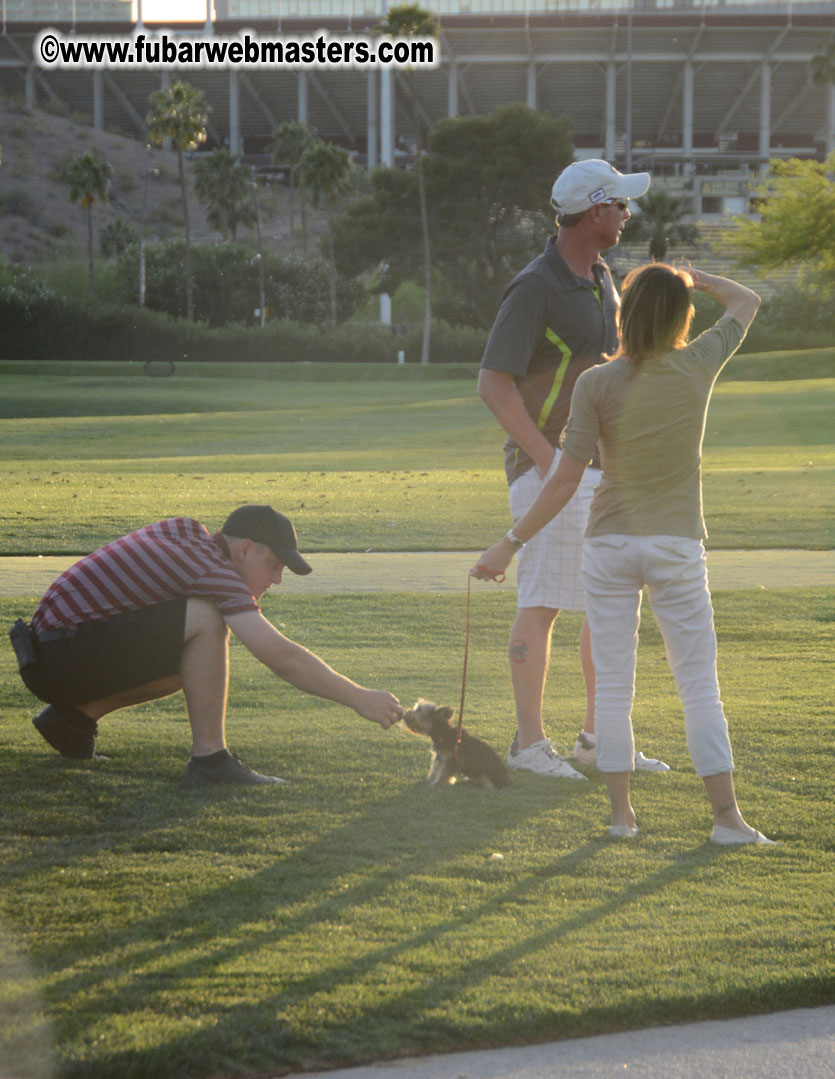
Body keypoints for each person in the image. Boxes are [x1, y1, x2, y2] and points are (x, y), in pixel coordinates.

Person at [472, 264, 775, 846]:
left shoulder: (594, 382)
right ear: (682, 318)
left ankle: (621, 820)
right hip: (675, 543)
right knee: (699, 686)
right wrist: (696, 279)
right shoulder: (698, 362)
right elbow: (747, 299)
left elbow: (562, 480)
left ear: (622, 315)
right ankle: (726, 821)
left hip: (608, 543)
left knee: (612, 684)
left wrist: (508, 544)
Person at [478, 157, 669, 781]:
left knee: (605, 603)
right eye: (619, 205)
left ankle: (597, 739)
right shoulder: (536, 286)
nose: (627, 214)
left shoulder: (601, 275)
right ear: (594, 211)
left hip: (597, 470)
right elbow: (492, 383)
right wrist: (547, 457)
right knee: (543, 602)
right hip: (551, 471)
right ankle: (528, 745)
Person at [9, 506, 404, 785]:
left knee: (195, 658)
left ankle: (71, 721)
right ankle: (211, 761)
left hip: (50, 652)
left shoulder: (189, 538)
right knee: (207, 618)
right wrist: (358, 697)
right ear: (245, 549)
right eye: (274, 565)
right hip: (60, 653)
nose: (277, 579)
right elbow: (280, 657)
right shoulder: (213, 568)